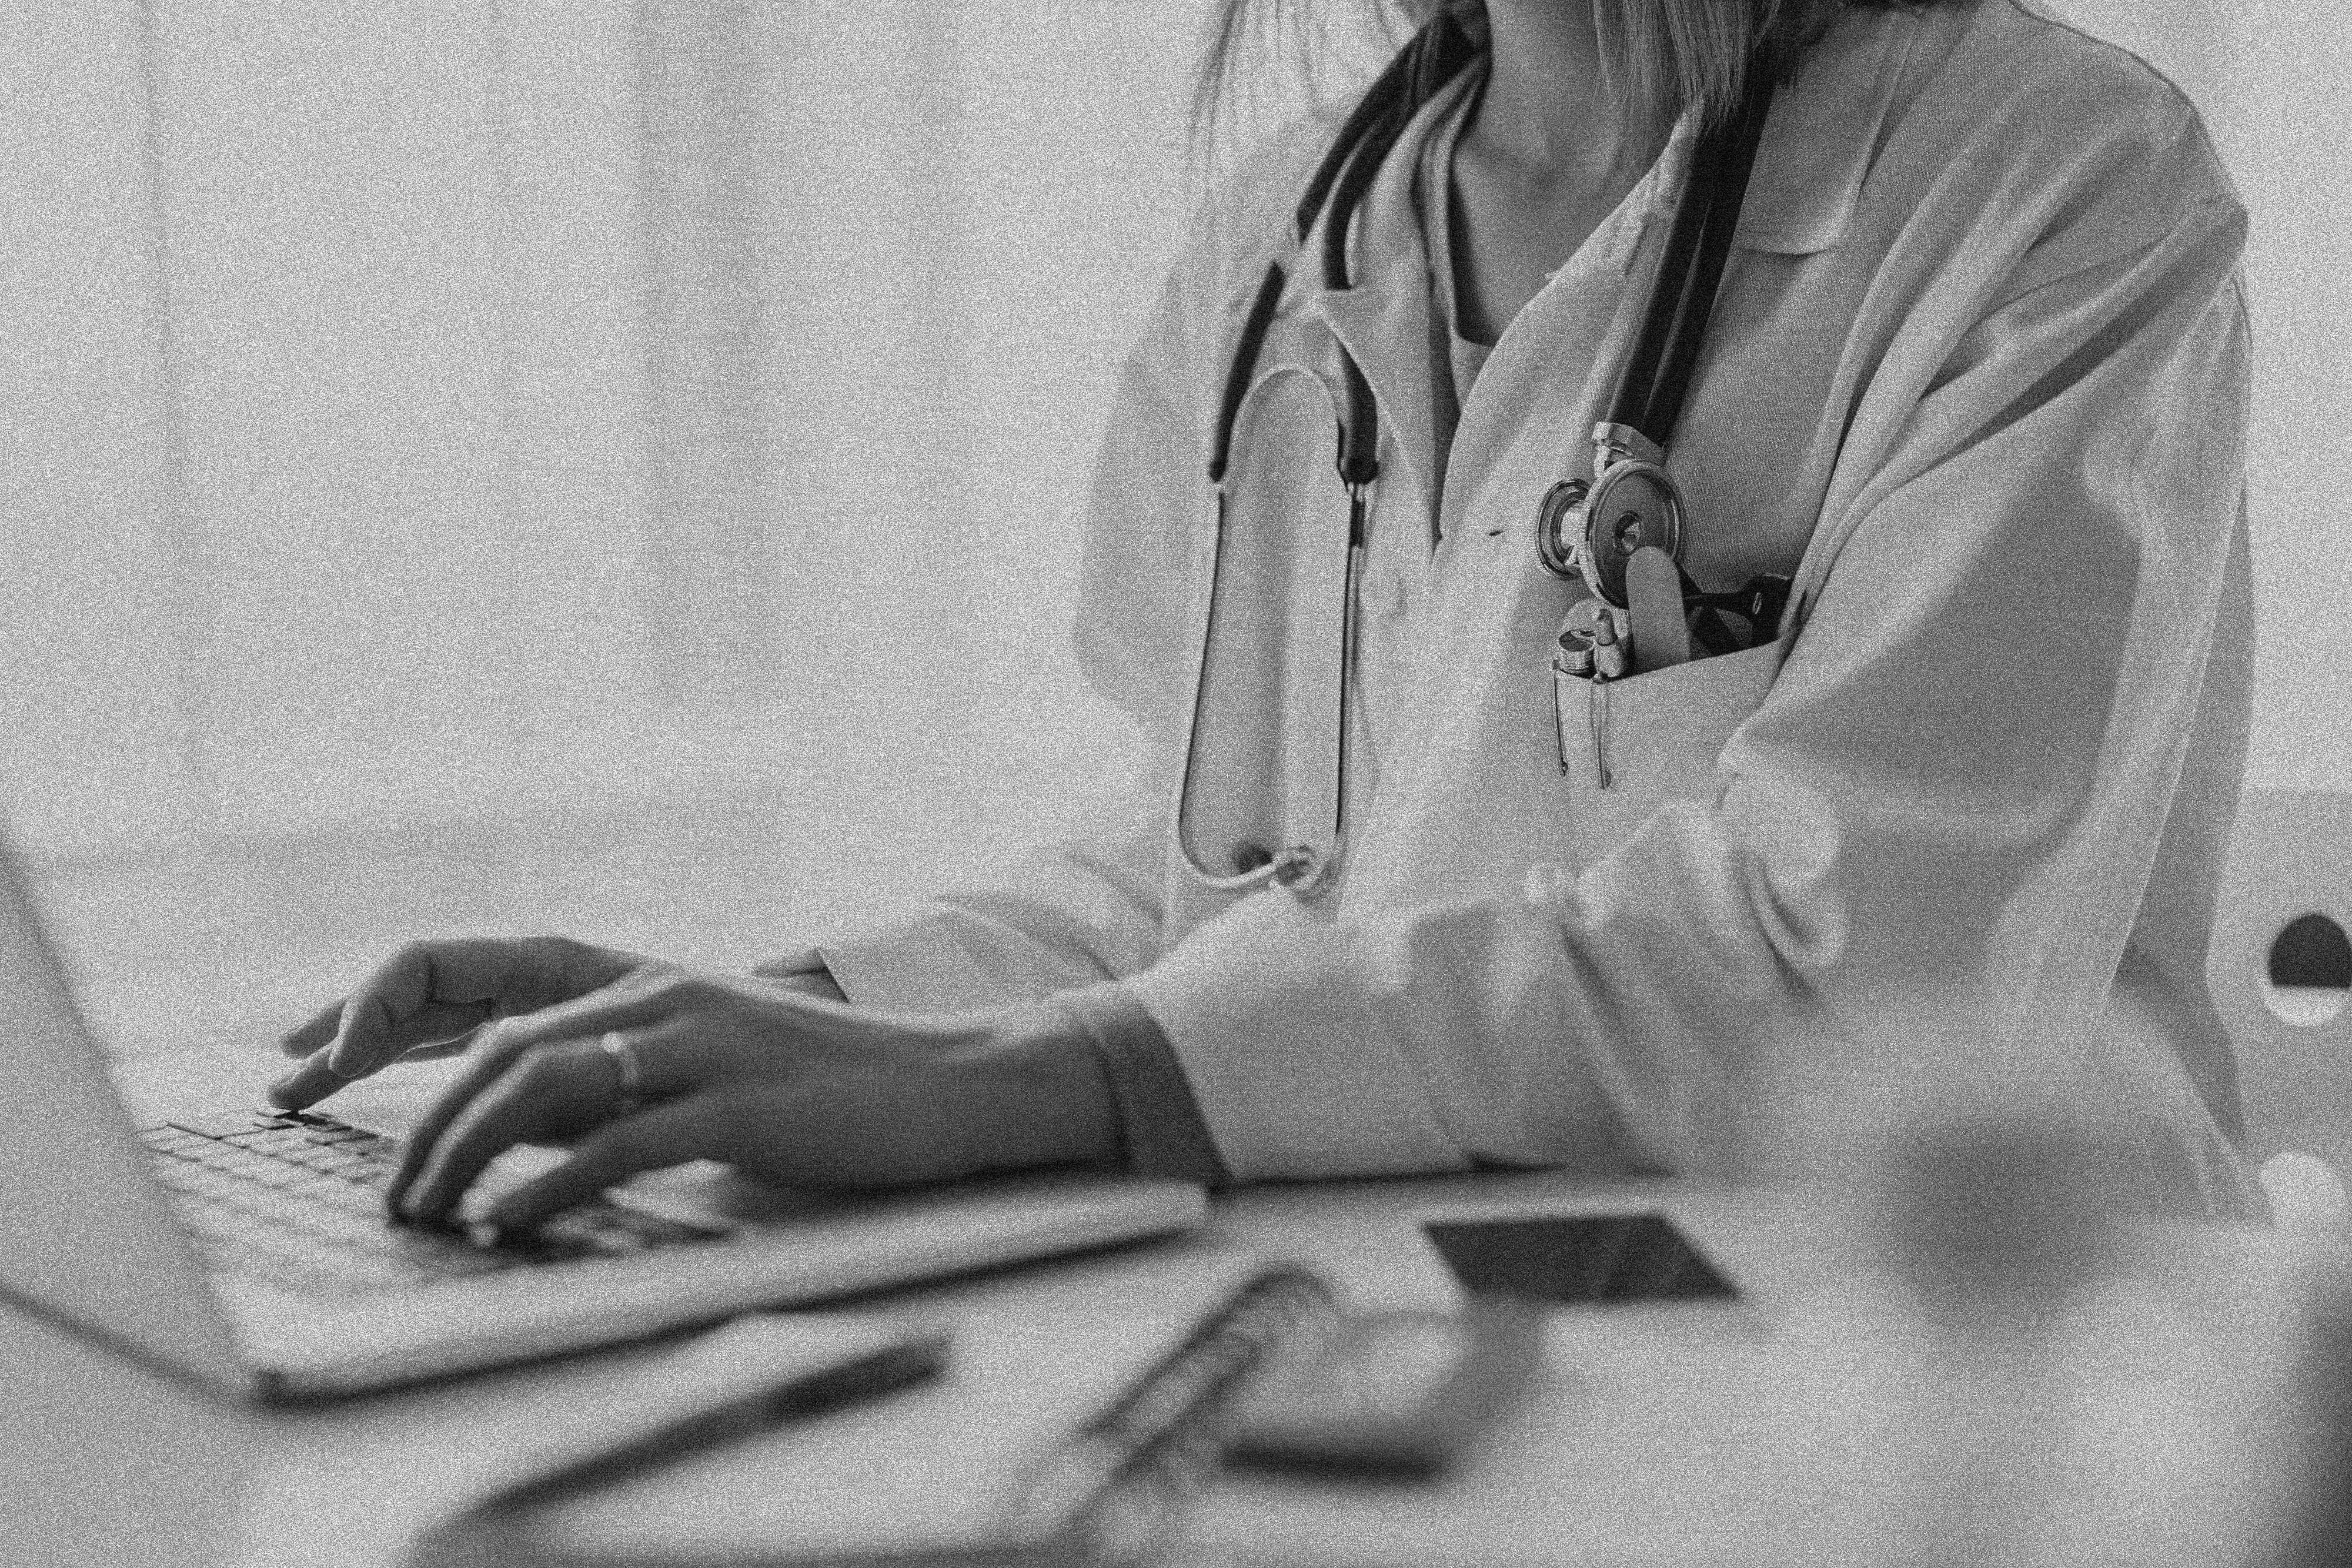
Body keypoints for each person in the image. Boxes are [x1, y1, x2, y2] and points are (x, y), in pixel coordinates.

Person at [269, 0, 2264, 1234]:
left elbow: (1866, 1005)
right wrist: (784, 1019)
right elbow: (1201, 889)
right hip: (1415, 1341)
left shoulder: (2052, 187)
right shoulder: (1294, 234)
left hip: (1959, 1396)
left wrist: (1069, 1080)